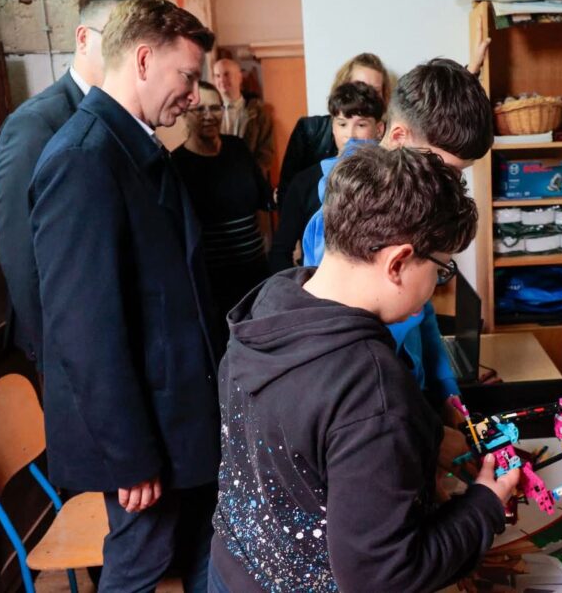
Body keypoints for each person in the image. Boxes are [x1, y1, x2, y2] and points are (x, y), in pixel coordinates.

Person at [209, 145, 518, 592]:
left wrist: (423, 446)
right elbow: (382, 578)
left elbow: (303, 447)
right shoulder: (371, 389)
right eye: (441, 269)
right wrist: (485, 505)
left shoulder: (267, 306)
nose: (436, 285)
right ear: (397, 262)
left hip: (232, 571)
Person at [30, 0, 219, 592]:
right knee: (140, 565)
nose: (194, 96)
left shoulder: (131, 143)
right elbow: (84, 334)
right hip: (143, 434)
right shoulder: (83, 159)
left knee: (202, 548)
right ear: (142, 60)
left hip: (176, 411)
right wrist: (130, 456)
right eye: (187, 76)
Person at [302, 58, 495, 405]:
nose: (452, 184)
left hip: (410, 399)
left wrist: (446, 389)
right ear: (398, 137)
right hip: (376, 406)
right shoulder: (338, 221)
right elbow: (344, 357)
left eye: (460, 173)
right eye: (447, 169)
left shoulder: (415, 208)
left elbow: (422, 312)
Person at [0, 0, 131, 364]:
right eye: (116, 39)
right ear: (84, 38)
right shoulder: (35, 124)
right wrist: (51, 354)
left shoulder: (119, 112)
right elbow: (21, 254)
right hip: (63, 338)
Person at [172, 81, 273, 320]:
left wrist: (267, 253)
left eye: (215, 108)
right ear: (185, 113)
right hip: (214, 286)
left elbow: (262, 206)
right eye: (199, 109)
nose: (209, 116)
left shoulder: (238, 148)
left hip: (256, 276)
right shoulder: (176, 164)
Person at [268, 81, 383, 273]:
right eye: (342, 124)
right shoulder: (305, 182)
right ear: (333, 127)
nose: (350, 135)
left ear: (379, 129)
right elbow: (280, 251)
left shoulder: (391, 179)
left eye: (361, 124)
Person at [276, 52, 389, 202]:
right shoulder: (310, 130)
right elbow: (288, 191)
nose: (363, 94)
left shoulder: (391, 140)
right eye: (357, 85)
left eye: (374, 90)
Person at [211, 58, 274, 177]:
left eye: (226, 74)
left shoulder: (259, 113)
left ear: (239, 77)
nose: (222, 80)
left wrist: (251, 177)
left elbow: (266, 152)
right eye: (217, 76)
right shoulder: (208, 113)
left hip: (249, 179)